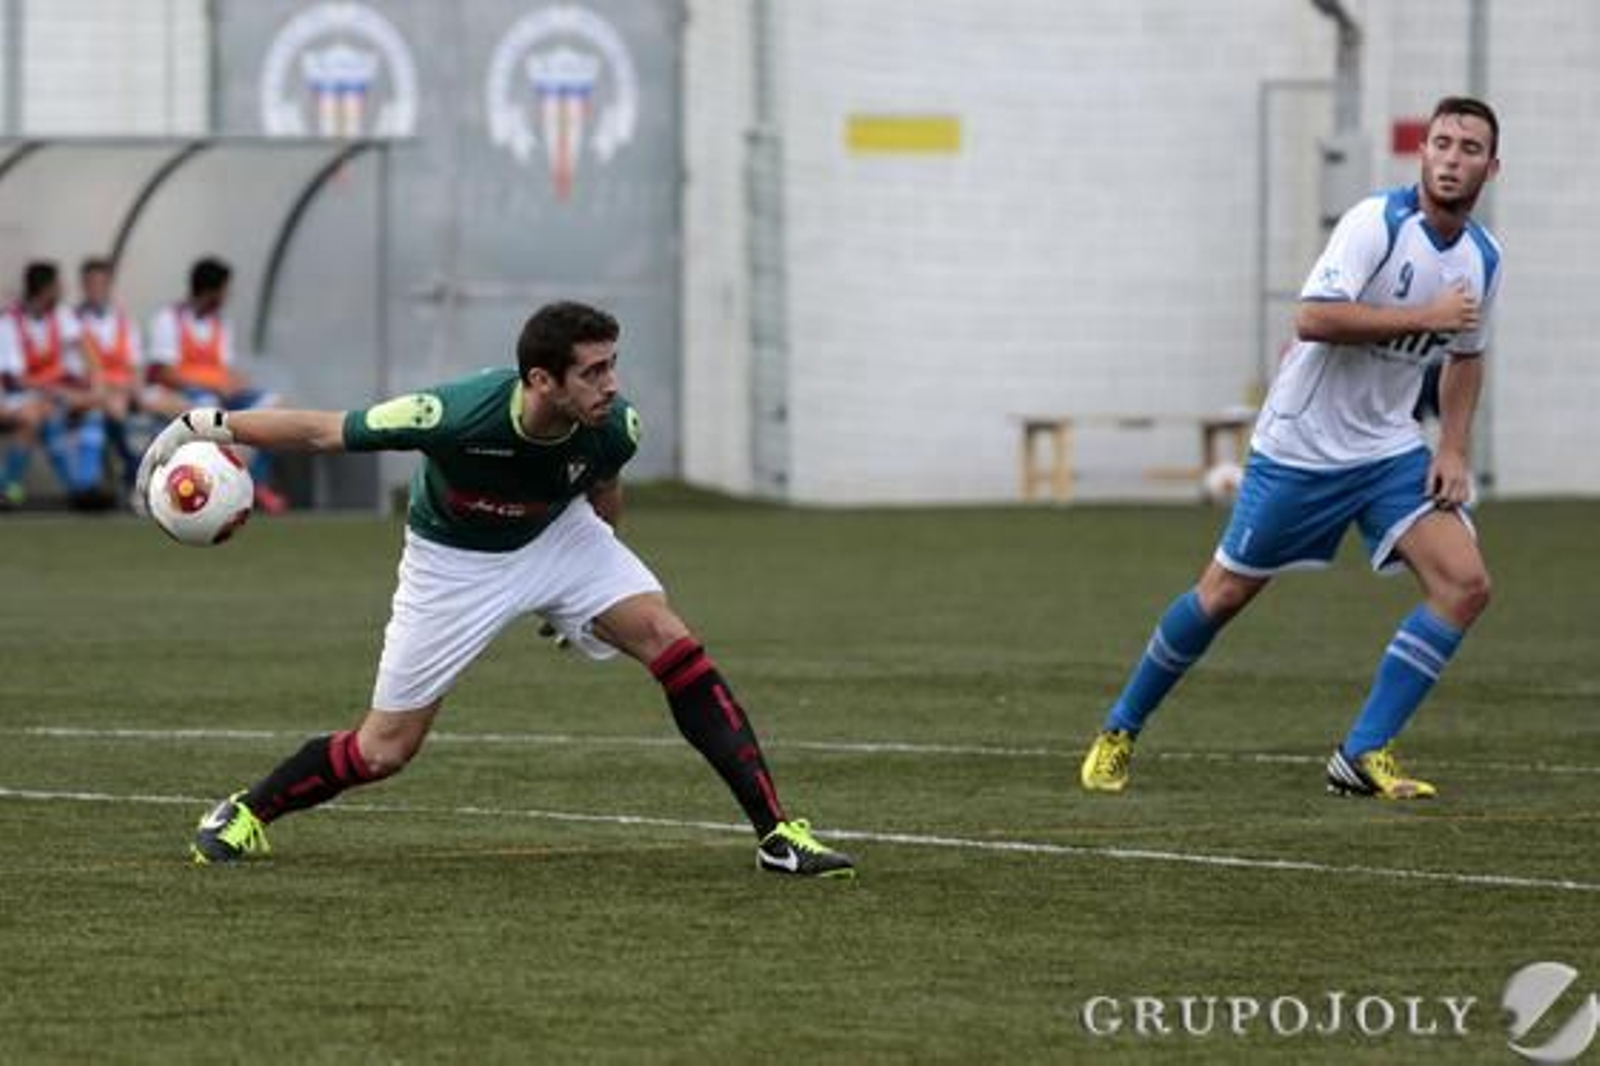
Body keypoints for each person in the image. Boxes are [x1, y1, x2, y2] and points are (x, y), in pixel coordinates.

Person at [136, 300, 856, 878]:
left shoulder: (614, 428)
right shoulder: (454, 414)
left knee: (671, 640)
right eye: (593, 372)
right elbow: (327, 431)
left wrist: (589, 598)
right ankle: (246, 811)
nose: (611, 384)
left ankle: (777, 835)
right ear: (541, 381)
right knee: (383, 750)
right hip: (453, 565)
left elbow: (603, 497)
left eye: (613, 366)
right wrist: (204, 422)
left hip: (560, 538)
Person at [1079, 96, 1503, 800]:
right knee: (1223, 596)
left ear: (1492, 166)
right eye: (1441, 143)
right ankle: (1121, 728)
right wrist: (1422, 315)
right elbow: (1312, 317)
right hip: (1301, 446)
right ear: (1421, 153)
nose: (1451, 159)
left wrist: (1452, 447)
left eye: (1468, 148)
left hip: (1388, 449)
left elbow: (1467, 356)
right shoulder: (1377, 222)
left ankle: (1362, 751)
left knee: (1466, 585)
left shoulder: (1485, 257)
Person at [147, 256, 289, 513]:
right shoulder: (168, 319)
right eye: (226, 288)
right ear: (211, 290)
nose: (228, 294)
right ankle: (222, 487)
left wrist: (235, 383)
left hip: (217, 393)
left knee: (273, 407)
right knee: (207, 408)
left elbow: (223, 369)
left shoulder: (221, 323)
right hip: (185, 394)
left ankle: (255, 482)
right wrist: (210, 386)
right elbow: (162, 372)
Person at [0, 260, 110, 508]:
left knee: (93, 407)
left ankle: (85, 483)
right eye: (59, 284)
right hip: (15, 395)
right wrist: (60, 393)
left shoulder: (59, 314)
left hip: (49, 394)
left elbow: (84, 347)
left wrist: (97, 381)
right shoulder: (9, 322)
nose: (63, 289)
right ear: (46, 288)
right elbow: (15, 379)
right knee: (36, 415)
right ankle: (9, 485)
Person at [76, 257, 186, 494]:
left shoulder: (124, 320)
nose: (96, 289)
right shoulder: (73, 321)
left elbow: (136, 365)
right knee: (107, 410)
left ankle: (163, 473)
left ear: (109, 285)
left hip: (125, 389)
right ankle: (125, 477)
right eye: (91, 283)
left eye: (101, 283)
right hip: (96, 391)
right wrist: (116, 390)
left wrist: (133, 389)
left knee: (180, 406)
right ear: (83, 286)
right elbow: (81, 370)